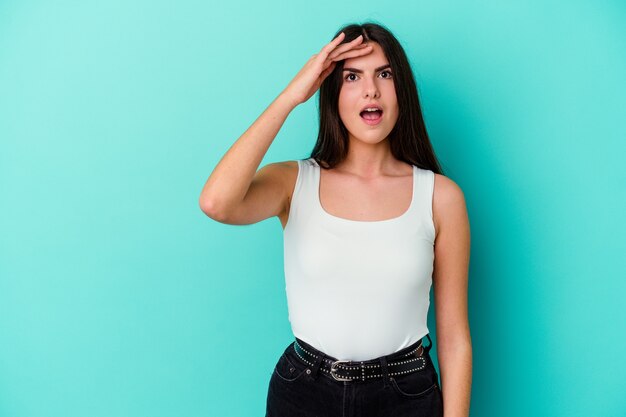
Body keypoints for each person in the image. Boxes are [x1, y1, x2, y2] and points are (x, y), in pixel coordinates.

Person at [199, 22, 471, 417]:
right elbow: (216, 202)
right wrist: (292, 96)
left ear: (402, 90)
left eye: (384, 73)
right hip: (304, 394)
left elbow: (454, 337)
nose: (370, 90)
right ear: (331, 92)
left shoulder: (441, 198)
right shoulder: (294, 183)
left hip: (405, 397)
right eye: (352, 76)